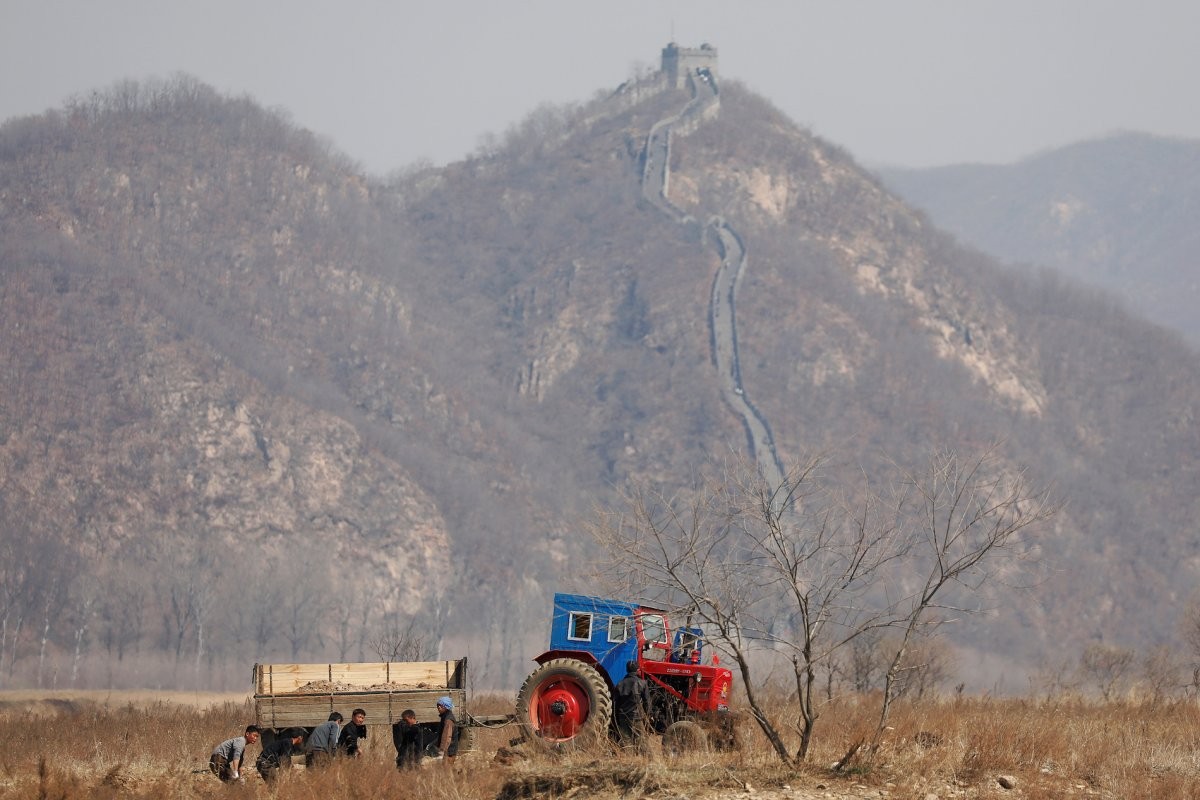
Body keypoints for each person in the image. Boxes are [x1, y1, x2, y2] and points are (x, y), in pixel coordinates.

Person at [614, 660, 651, 750]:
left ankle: (629, 760)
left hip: (623, 717)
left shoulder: (620, 684)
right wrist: (648, 715)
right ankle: (648, 760)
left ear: (627, 670)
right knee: (641, 740)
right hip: (636, 717)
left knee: (626, 741)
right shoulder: (642, 683)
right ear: (638, 670)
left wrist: (617, 718)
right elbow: (647, 702)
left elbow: (615, 704)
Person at [435, 696, 460, 763]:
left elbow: (447, 737)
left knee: (447, 771)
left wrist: (441, 752)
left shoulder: (448, 719)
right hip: (448, 751)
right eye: (438, 705)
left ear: (446, 706)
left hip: (449, 752)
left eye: (440, 706)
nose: (438, 707)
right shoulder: (445, 717)